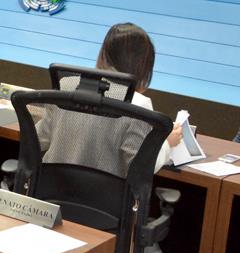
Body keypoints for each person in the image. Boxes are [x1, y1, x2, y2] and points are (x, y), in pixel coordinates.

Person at [38, 23, 183, 175]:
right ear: (143, 66)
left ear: (103, 55)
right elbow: (140, 168)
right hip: (99, 191)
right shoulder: (138, 105)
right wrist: (166, 143)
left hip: (48, 186)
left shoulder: (66, 85)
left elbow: (39, 139)